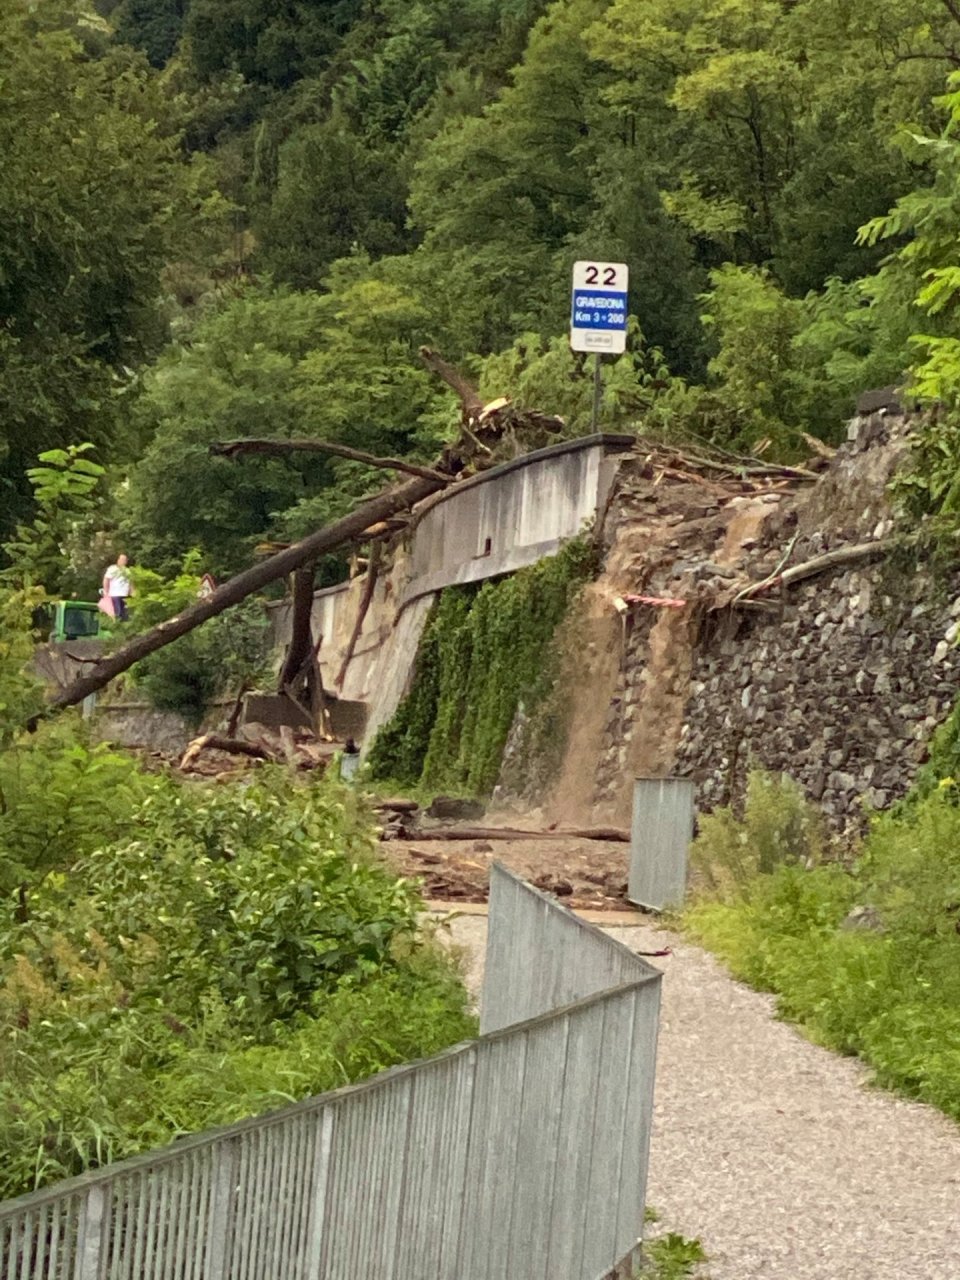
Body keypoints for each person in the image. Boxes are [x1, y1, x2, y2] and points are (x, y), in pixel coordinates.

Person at [102, 553, 133, 620]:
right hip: (115, 595)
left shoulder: (128, 571)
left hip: (125, 595)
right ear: (118, 560)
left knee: (125, 614)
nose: (123, 561)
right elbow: (106, 580)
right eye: (122, 559)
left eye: (125, 560)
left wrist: (133, 593)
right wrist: (106, 591)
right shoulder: (112, 569)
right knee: (117, 613)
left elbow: (130, 583)